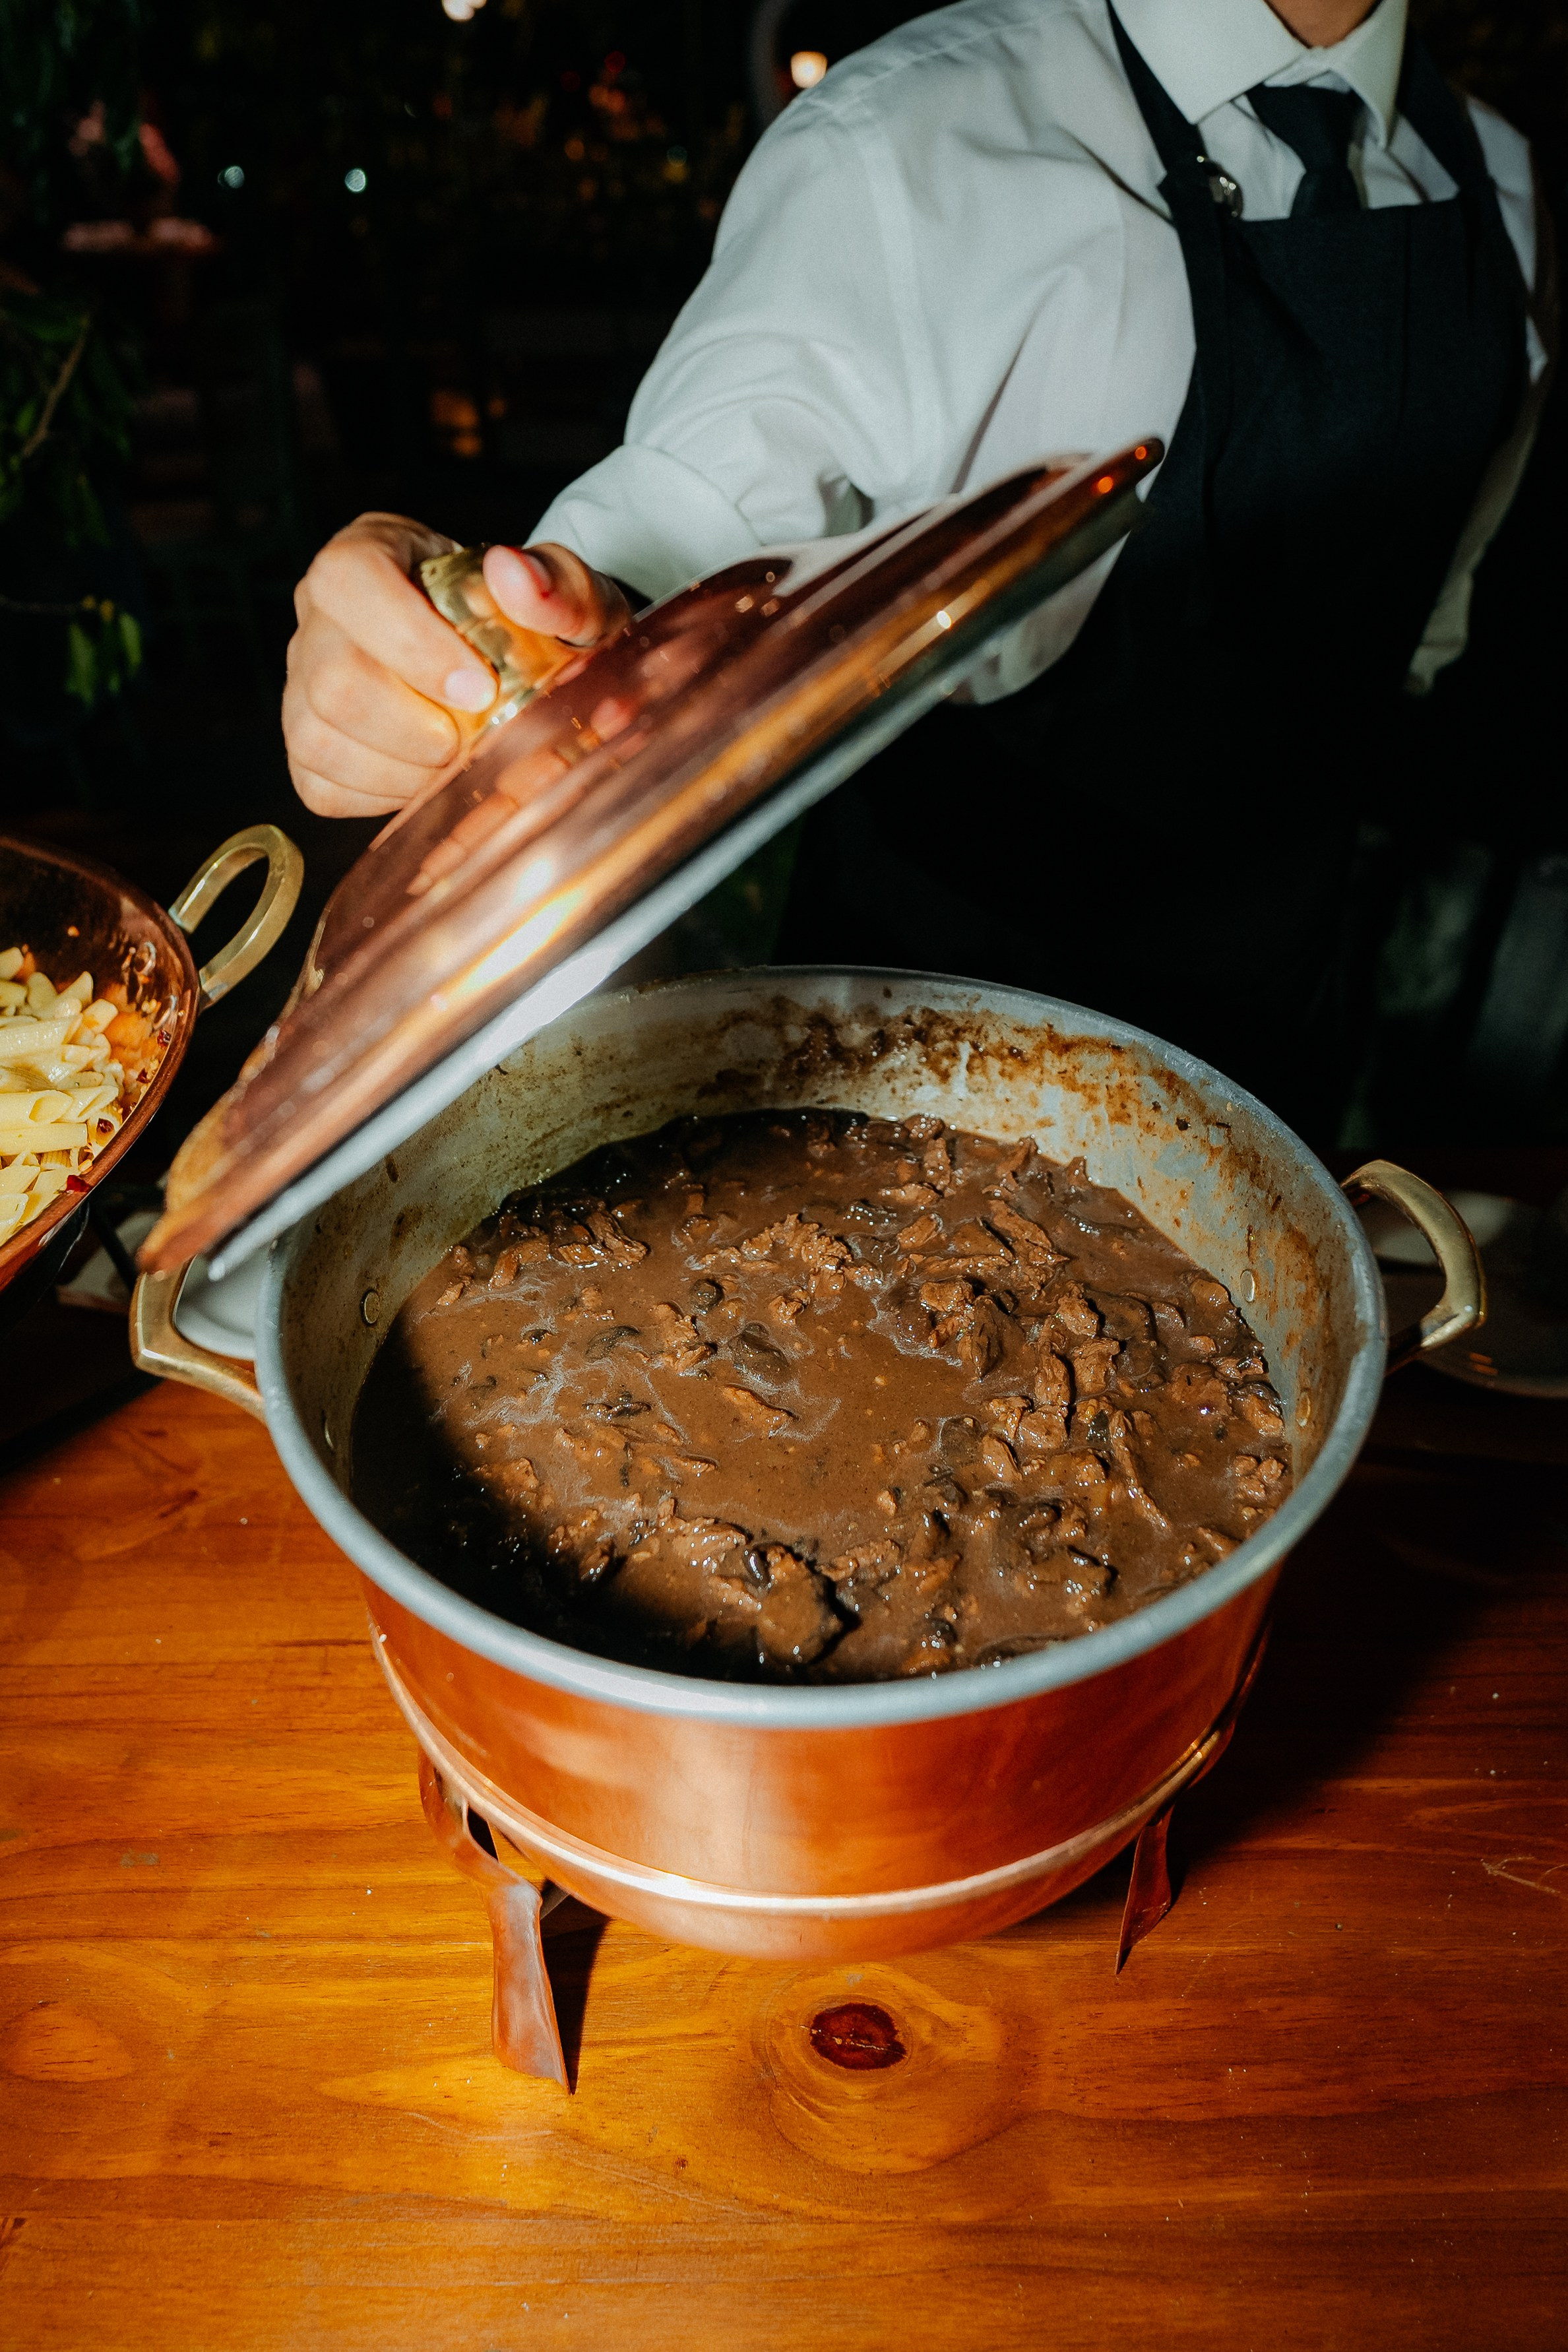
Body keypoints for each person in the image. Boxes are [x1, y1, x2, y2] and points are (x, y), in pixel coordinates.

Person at [282, 0, 1552, 1141]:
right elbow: (669, 539)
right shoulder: (914, 136)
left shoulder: (1503, 188)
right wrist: (464, 642)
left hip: (1279, 1050)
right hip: (911, 1063)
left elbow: (1421, 637)